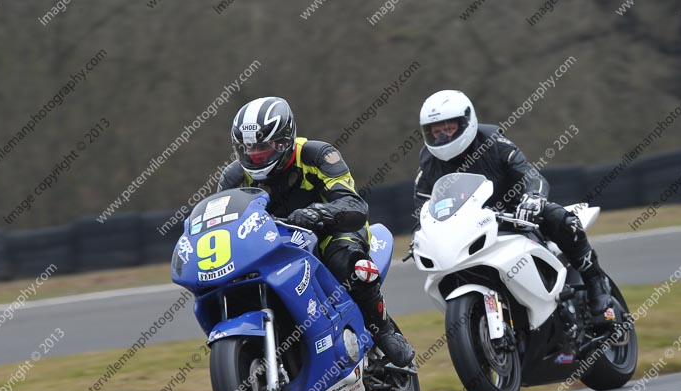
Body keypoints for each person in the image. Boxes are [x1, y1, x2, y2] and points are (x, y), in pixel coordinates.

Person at [218, 96, 415, 366]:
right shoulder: (234, 176)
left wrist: (317, 214)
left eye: (263, 148)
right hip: (273, 244)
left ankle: (384, 331)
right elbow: (224, 222)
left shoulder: (318, 155)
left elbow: (354, 204)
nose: (255, 155)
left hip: (330, 231)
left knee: (344, 258)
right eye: (248, 148)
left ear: (284, 141)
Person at [412, 89, 612, 314]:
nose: (443, 137)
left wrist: (533, 198)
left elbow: (530, 175)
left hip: (515, 214)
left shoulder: (494, 143)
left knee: (559, 217)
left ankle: (595, 279)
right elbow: (422, 210)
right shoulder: (428, 165)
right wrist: (421, 235)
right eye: (436, 132)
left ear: (466, 122)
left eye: (448, 129)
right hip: (468, 228)